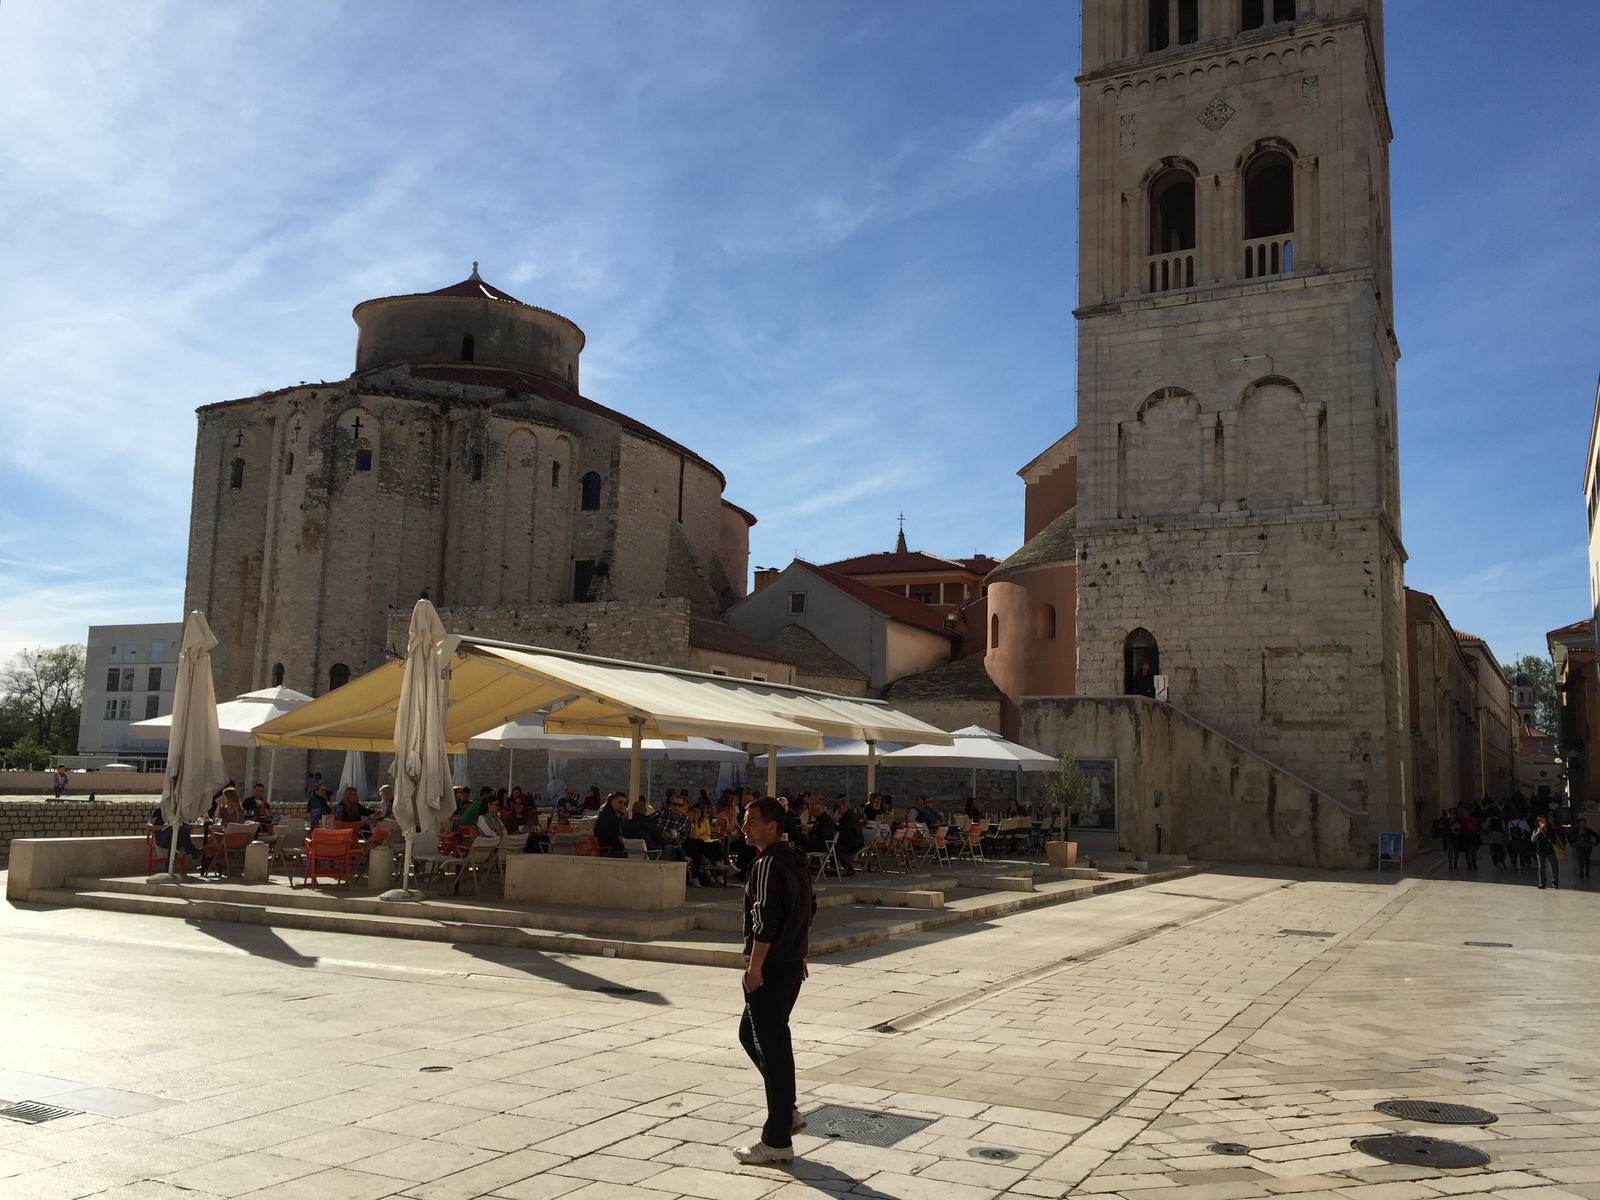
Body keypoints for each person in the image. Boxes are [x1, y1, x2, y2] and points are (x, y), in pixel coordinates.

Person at [733, 797, 817, 1166]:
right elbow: (807, 909)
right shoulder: (794, 859)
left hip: (771, 967)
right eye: (744, 820)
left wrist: (755, 967)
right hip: (788, 964)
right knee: (758, 1037)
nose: (744, 827)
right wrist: (799, 951)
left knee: (772, 1046)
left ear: (772, 826)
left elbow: (765, 919)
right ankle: (787, 1112)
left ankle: (777, 1137)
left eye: (752, 821)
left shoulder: (767, 863)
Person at [685, 801, 728, 886]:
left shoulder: (705, 821)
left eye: (698, 812)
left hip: (704, 843)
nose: (696, 814)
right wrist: (695, 822)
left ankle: (720, 865)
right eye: (694, 812)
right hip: (692, 845)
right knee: (700, 845)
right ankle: (716, 865)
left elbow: (708, 834)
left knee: (717, 844)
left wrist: (702, 838)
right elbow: (694, 836)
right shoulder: (689, 822)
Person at [594, 792, 629, 858]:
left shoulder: (616, 815)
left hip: (611, 848)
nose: (622, 805)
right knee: (630, 856)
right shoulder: (608, 815)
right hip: (607, 849)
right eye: (620, 802)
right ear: (613, 801)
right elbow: (610, 836)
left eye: (625, 803)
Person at [833, 800, 863, 875]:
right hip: (848, 840)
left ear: (846, 807)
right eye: (837, 807)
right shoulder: (846, 816)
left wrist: (835, 820)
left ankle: (849, 868)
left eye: (840, 807)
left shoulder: (850, 817)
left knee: (838, 850)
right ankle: (833, 868)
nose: (838, 809)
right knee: (833, 847)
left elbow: (843, 828)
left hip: (853, 841)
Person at [1531, 815, 1560, 890]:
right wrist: (1538, 832)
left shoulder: (1551, 830)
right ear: (1538, 823)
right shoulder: (1536, 830)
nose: (1543, 823)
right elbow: (1533, 840)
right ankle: (1542, 883)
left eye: (1544, 821)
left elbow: (1555, 839)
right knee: (1541, 867)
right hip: (1540, 851)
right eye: (1541, 821)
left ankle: (1555, 882)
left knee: (1554, 866)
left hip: (1551, 850)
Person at [1573, 817, 1597, 881]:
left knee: (1587, 860)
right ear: (1579, 824)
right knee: (1580, 859)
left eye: (1584, 823)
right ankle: (1581, 872)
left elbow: (1596, 835)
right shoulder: (1576, 830)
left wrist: (1595, 843)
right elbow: (1570, 836)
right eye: (1581, 823)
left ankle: (1587, 872)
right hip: (1579, 846)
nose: (1583, 824)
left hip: (1587, 847)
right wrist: (1572, 843)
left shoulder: (1588, 830)